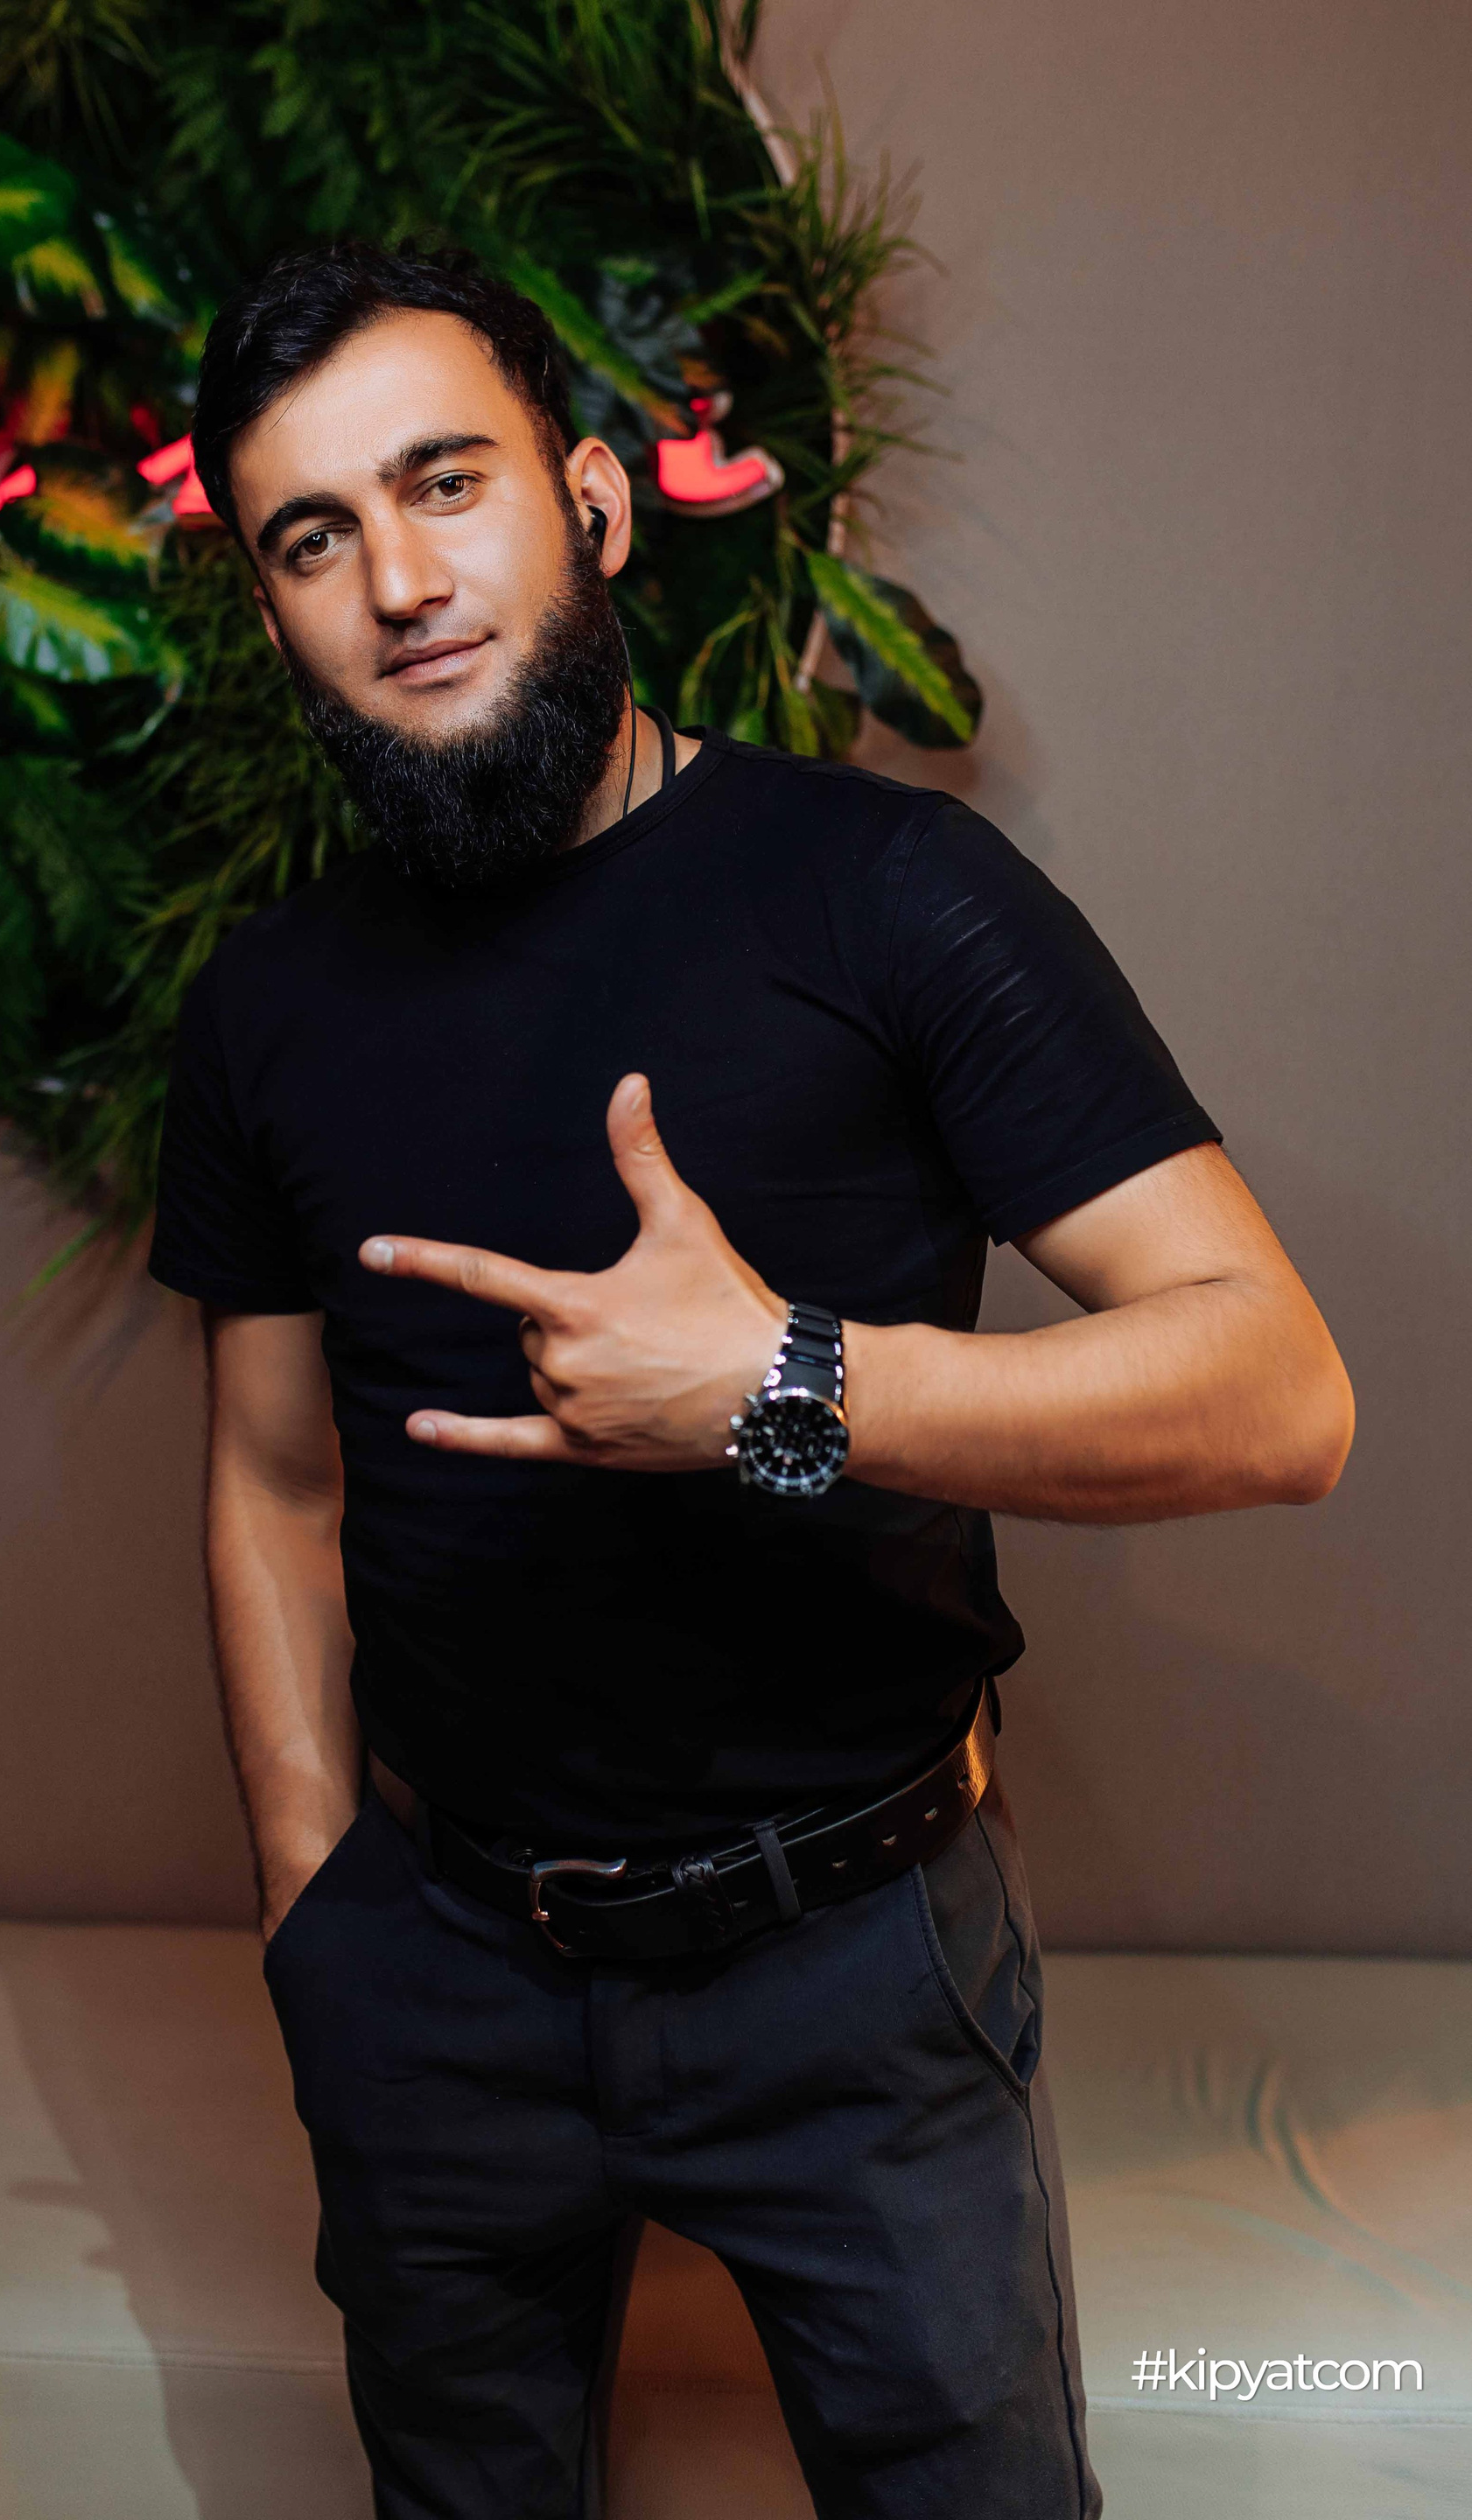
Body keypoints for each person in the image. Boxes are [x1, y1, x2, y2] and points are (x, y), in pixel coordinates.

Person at [147, 240, 1353, 2520]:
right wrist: (318, 1920)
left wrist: (784, 1383)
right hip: (441, 1972)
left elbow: (1279, 1391)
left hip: (854, 1969)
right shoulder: (264, 1008)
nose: (399, 579)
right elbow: (275, 1484)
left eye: (448, 482)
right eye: (315, 535)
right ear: (276, 607)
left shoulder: (890, 893)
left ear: (595, 501)